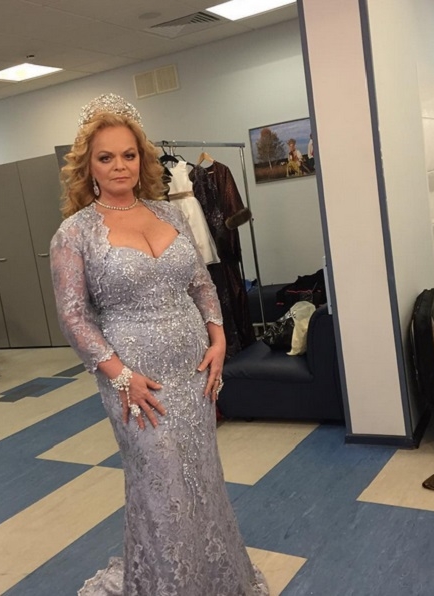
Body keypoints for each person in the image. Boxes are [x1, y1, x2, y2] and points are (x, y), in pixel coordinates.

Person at [50, 94, 268, 595]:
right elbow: (73, 317)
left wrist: (218, 339)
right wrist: (121, 376)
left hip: (195, 372)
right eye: (106, 157)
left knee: (202, 477)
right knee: (161, 484)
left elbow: (201, 283)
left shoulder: (169, 214)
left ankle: (216, 579)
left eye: (128, 154)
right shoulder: (74, 233)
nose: (119, 166)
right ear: (88, 166)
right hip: (136, 381)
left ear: (142, 158)